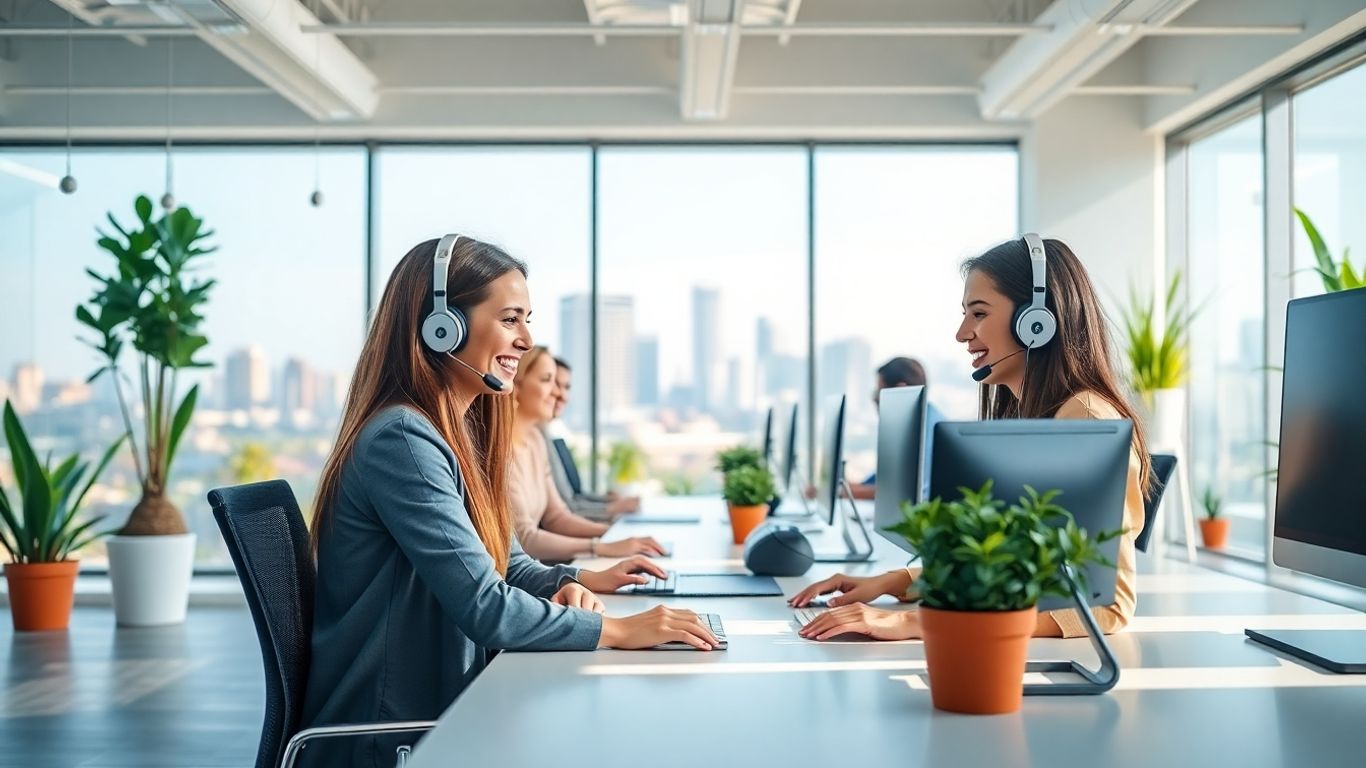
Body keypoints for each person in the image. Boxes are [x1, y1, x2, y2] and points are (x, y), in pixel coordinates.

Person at [301, 235, 719, 768]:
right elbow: (486, 607)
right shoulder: (401, 439)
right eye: (509, 319)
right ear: (441, 326)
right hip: (391, 736)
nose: (526, 340)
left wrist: (569, 582)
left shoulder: (456, 433)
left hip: (451, 707)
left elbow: (509, 563)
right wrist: (617, 630)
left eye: (527, 320)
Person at [791, 235, 1151, 641]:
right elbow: (1008, 566)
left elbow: (1108, 606)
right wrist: (896, 581)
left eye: (978, 313)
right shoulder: (1033, 417)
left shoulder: (1085, 419)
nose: (962, 333)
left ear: (1036, 322)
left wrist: (916, 623)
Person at [508, 346, 665, 563]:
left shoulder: (535, 440)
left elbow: (557, 517)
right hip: (518, 574)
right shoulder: (499, 452)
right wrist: (601, 546)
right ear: (515, 385)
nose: (558, 393)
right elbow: (525, 539)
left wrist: (614, 535)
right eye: (547, 380)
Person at [545, 357, 640, 522]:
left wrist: (607, 500)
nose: (561, 395)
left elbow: (574, 496)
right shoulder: (537, 442)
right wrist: (612, 509)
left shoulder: (548, 438)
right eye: (552, 383)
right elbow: (565, 509)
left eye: (566, 387)